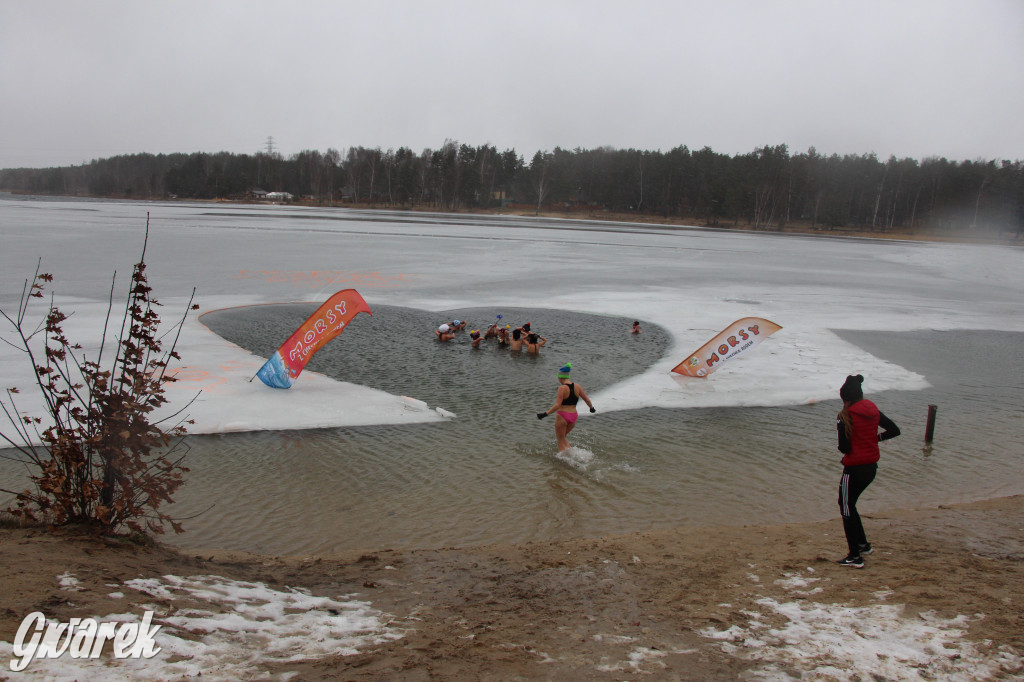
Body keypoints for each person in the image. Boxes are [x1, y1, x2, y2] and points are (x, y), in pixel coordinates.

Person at [834, 374, 900, 568]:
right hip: (871, 468)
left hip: (853, 468)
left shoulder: (844, 416)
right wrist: (874, 440)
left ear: (845, 398)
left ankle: (854, 556)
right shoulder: (873, 410)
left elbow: (845, 448)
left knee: (845, 506)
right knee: (851, 505)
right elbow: (894, 430)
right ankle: (863, 545)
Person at [537, 363, 595, 452]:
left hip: (562, 416)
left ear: (560, 378)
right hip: (574, 416)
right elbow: (587, 399)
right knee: (563, 437)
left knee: (560, 440)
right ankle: (571, 454)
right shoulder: (577, 386)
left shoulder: (562, 388)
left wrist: (545, 414)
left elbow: (557, 405)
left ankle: (564, 458)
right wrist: (591, 408)